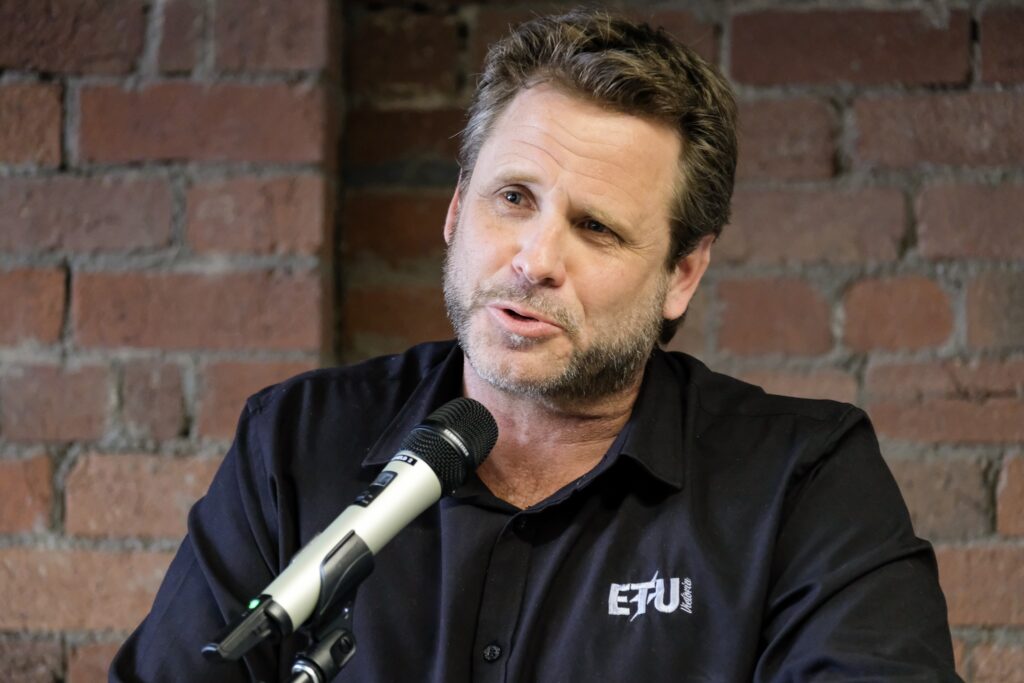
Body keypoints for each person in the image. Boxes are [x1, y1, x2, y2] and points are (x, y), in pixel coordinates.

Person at [111, 10, 961, 682]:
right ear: (457, 210)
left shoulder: (804, 481)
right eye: (513, 197)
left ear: (681, 273)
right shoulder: (294, 444)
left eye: (596, 227)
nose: (535, 259)